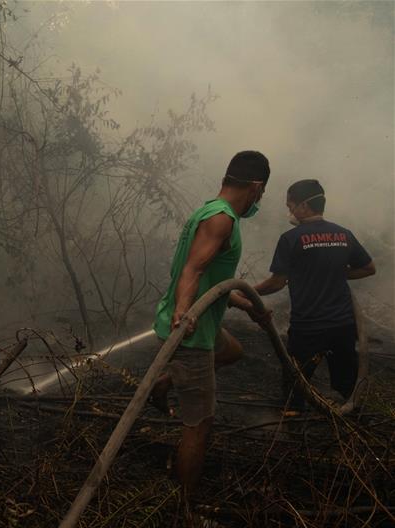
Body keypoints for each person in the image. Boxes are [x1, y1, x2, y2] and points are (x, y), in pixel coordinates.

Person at [151, 150, 271, 494]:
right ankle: (185, 514)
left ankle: (167, 380)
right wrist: (183, 312)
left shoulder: (207, 211)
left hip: (202, 324)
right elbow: (193, 270)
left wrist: (246, 305)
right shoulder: (222, 219)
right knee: (199, 426)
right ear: (256, 188)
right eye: (260, 195)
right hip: (190, 333)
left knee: (232, 350)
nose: (258, 201)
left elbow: (212, 283)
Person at [237, 179, 375, 415]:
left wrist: (245, 291)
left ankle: (293, 428)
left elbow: (277, 283)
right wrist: (337, 272)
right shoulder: (343, 234)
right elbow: (368, 268)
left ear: (303, 206)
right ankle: (355, 425)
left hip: (308, 326)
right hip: (343, 324)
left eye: (290, 205)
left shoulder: (291, 239)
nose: (289, 211)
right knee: (348, 383)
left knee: (295, 387)